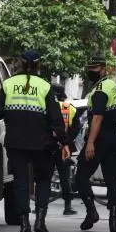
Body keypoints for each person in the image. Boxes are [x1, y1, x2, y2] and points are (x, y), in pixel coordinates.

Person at [0, 50, 70, 232]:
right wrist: (64, 142)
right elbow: (55, 118)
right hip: (41, 144)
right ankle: (40, 221)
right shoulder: (44, 86)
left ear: (19, 64)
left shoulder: (8, 84)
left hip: (16, 143)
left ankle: (24, 226)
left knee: (20, 183)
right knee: (42, 180)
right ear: (38, 65)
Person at [74, 55, 116, 232]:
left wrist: (90, 144)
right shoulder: (111, 85)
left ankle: (91, 212)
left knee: (80, 177)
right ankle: (114, 221)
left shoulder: (100, 90)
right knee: (113, 180)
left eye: (94, 69)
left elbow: (97, 117)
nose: (91, 72)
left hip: (101, 138)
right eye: (89, 68)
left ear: (103, 69)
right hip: (115, 137)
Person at [50, 83, 78, 215]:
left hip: (48, 147)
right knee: (65, 178)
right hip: (64, 148)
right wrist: (67, 141)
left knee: (44, 177)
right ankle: (67, 207)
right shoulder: (70, 108)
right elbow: (76, 128)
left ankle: (40, 206)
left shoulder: (47, 106)